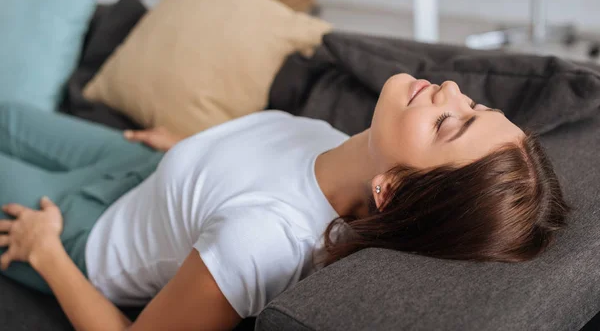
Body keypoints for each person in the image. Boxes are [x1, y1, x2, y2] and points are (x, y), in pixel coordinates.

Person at [0, 74, 571, 330]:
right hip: (138, 172)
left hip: (78, 234)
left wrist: (45, 252)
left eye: (448, 123)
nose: (450, 91)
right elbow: (254, 171)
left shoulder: (262, 241)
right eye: (476, 105)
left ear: (391, 189)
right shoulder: (344, 145)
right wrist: (191, 153)